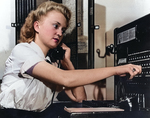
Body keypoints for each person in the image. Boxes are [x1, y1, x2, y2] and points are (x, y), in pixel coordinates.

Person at [0, 1, 141, 113]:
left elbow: (80, 98)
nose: (60, 33)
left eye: (63, 29)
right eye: (55, 26)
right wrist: (116, 70)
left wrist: (67, 62)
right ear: (37, 26)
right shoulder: (22, 50)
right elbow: (65, 79)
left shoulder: (50, 64)